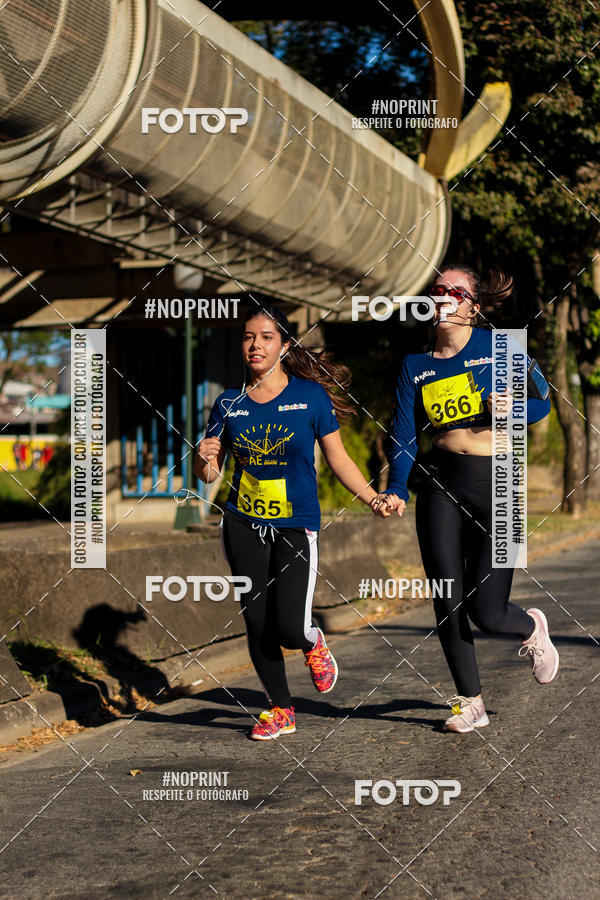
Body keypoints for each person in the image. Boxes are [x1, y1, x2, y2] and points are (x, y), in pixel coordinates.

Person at [372, 265, 559, 733]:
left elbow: (544, 401)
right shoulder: (416, 366)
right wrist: (396, 487)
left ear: (474, 305)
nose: (445, 297)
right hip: (440, 482)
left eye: (456, 291)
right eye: (438, 290)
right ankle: (470, 702)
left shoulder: (501, 347)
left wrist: (514, 406)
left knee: (488, 611)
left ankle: (531, 628)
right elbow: (404, 436)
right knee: (447, 599)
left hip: (500, 482)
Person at [195, 303, 388, 740]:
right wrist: (202, 458)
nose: (255, 344)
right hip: (242, 520)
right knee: (255, 619)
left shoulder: (309, 397)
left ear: (283, 345)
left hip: (296, 523)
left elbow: (338, 458)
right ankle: (280, 709)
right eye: (248, 337)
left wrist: (373, 498)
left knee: (288, 625)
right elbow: (211, 474)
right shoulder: (228, 402)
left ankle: (311, 642)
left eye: (266, 336)